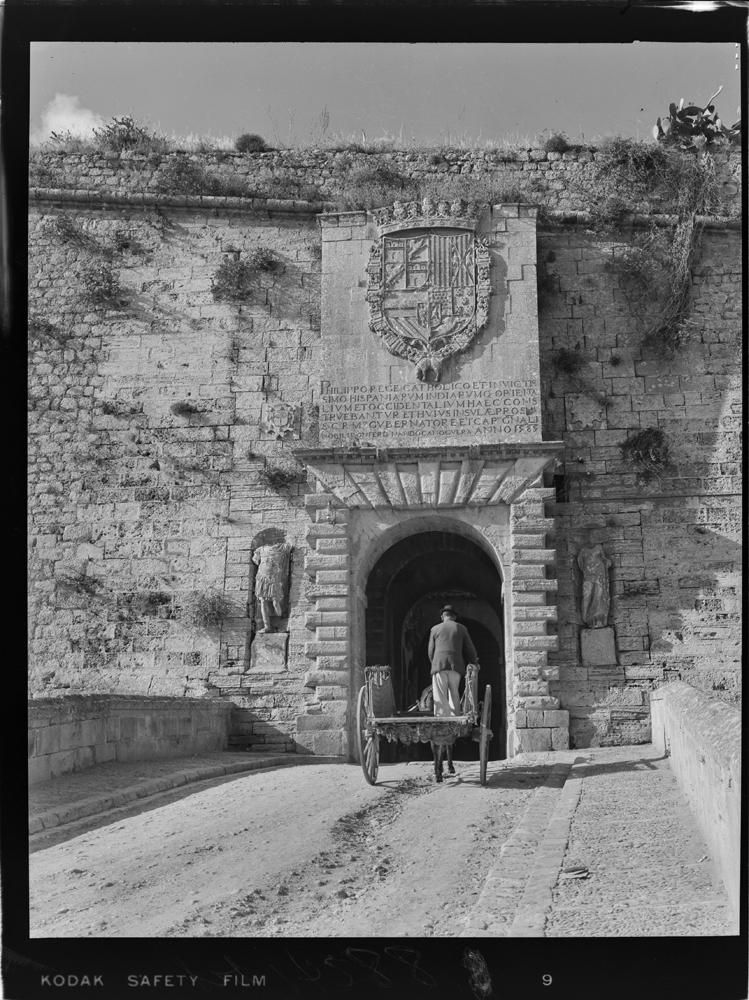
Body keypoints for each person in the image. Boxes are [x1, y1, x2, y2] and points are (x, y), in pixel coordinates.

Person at [427, 605, 479, 717]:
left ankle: (441, 718)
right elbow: (469, 648)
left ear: (442, 616)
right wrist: (474, 661)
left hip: (439, 665)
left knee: (440, 694)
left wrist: (434, 663)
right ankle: (454, 717)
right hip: (456, 665)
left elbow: (430, 650)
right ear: (454, 617)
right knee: (454, 692)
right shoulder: (461, 628)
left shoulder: (434, 629)